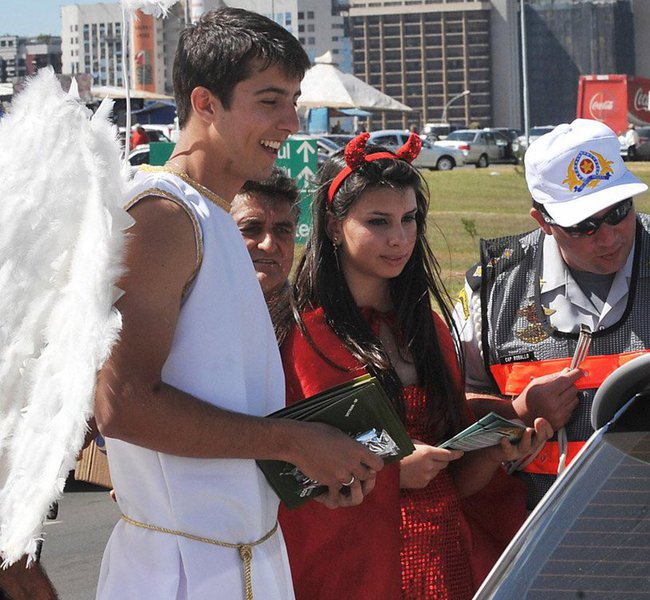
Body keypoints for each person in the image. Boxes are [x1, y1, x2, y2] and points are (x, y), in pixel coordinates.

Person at [93, 8, 383, 600]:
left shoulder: (213, 216)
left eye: (294, 99)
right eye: (270, 100)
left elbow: (219, 401)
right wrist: (295, 443)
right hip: (177, 572)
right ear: (205, 102)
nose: (290, 120)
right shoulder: (164, 214)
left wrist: (301, 473)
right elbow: (119, 404)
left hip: (246, 561)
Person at [278, 132, 551, 599]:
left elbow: (455, 483)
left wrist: (492, 447)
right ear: (331, 224)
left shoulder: (430, 330)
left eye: (410, 219)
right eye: (378, 221)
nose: (399, 238)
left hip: (450, 564)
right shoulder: (307, 338)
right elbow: (291, 477)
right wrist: (391, 473)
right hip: (357, 573)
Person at [455, 118, 650, 507]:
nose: (608, 237)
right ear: (543, 221)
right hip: (542, 546)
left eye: (618, 212)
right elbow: (453, 411)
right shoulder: (492, 292)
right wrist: (516, 413)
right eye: (583, 226)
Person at [231, 168, 300, 341]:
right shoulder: (190, 317)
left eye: (282, 230)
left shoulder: (314, 324)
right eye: (251, 229)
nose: (268, 245)